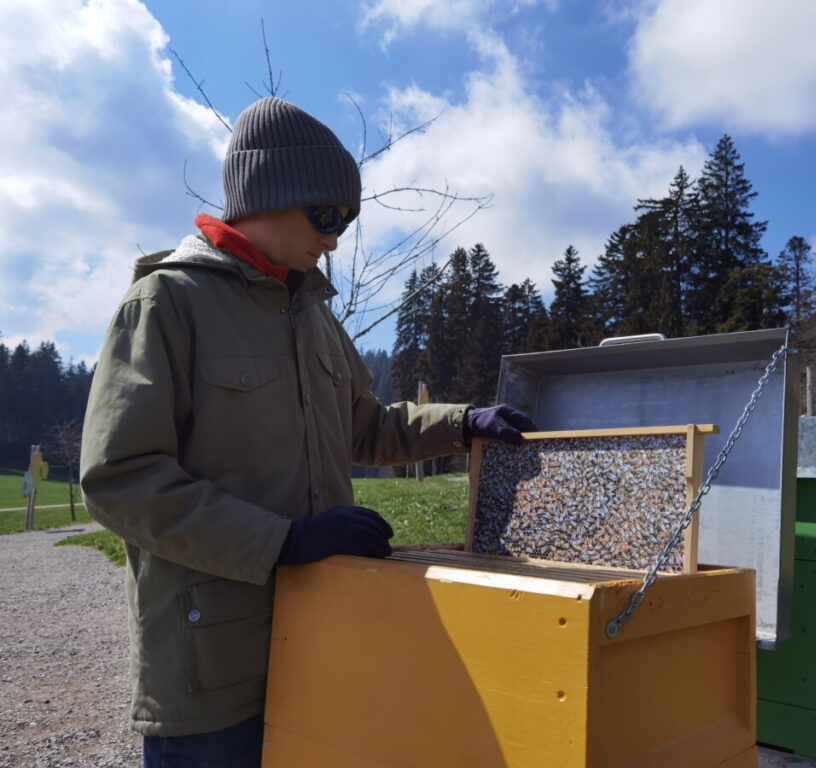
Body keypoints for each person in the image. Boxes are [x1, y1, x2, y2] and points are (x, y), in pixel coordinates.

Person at [80, 96, 536, 767]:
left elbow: (366, 427)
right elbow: (121, 481)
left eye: (347, 219)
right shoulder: (166, 303)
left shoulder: (316, 316)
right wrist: (282, 542)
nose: (337, 236)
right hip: (216, 666)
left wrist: (463, 424)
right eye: (328, 214)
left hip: (324, 636)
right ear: (267, 194)